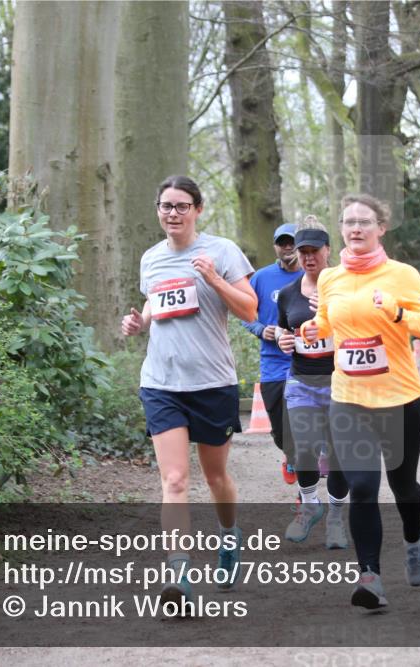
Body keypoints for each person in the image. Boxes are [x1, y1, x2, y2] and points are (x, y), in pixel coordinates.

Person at [302, 193, 420, 609]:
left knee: (403, 486)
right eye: (348, 222)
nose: (356, 228)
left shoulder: (402, 274)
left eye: (365, 221)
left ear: (381, 228)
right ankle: (370, 577)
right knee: (363, 486)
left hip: (400, 398)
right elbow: (328, 321)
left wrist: (398, 312)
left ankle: (414, 539)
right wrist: (314, 328)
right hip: (349, 398)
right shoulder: (330, 278)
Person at [121, 175, 257, 610]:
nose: (173, 214)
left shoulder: (222, 251)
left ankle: (229, 535)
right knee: (174, 480)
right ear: (157, 211)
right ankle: (179, 576)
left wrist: (216, 280)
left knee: (216, 477)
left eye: (181, 206)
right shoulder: (151, 259)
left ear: (198, 209)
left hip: (212, 382)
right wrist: (139, 322)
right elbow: (154, 302)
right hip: (161, 383)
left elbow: (250, 308)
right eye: (166, 206)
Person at [276, 218, 350, 547]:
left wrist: (335, 314)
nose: (308, 258)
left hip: (340, 382)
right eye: (302, 252)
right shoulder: (289, 293)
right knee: (302, 448)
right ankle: (309, 506)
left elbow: (365, 326)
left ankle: (336, 517)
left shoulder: (345, 286)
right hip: (301, 380)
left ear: (328, 251)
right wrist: (282, 339)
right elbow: (281, 327)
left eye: (314, 251)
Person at [242, 223, 303, 485]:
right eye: (282, 242)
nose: (287, 247)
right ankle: (289, 453)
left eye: (292, 242)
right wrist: (260, 329)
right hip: (273, 365)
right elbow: (243, 313)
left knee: (307, 423)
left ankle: (307, 485)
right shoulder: (261, 278)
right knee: (280, 430)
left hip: (309, 363)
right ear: (275, 246)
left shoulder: (318, 276)